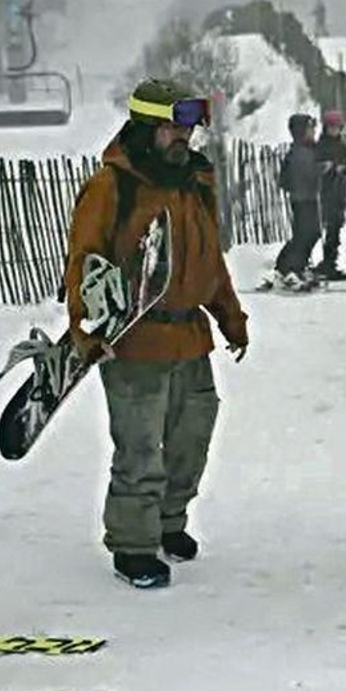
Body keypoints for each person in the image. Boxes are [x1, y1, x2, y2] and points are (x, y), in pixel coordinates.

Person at [65, 79, 249, 588]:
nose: (183, 137)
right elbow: (84, 260)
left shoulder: (194, 181)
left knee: (191, 439)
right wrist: (85, 328)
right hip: (135, 340)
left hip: (191, 338)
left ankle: (169, 523)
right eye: (173, 126)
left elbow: (209, 259)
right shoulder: (113, 186)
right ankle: (134, 543)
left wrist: (230, 317)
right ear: (146, 128)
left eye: (188, 127)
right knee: (141, 450)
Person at [274, 113, 322, 288]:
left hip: (308, 198)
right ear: (301, 132)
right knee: (305, 234)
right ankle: (291, 268)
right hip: (302, 199)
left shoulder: (309, 150)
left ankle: (289, 266)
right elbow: (286, 179)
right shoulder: (299, 153)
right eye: (310, 129)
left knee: (309, 233)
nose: (313, 132)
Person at [313, 110, 346, 281]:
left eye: (337, 127)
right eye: (332, 127)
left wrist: (344, 170)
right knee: (328, 227)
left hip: (339, 191)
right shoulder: (320, 146)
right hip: (325, 191)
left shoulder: (343, 147)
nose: (335, 130)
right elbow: (314, 169)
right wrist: (327, 168)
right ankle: (327, 264)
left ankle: (331, 262)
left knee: (335, 227)